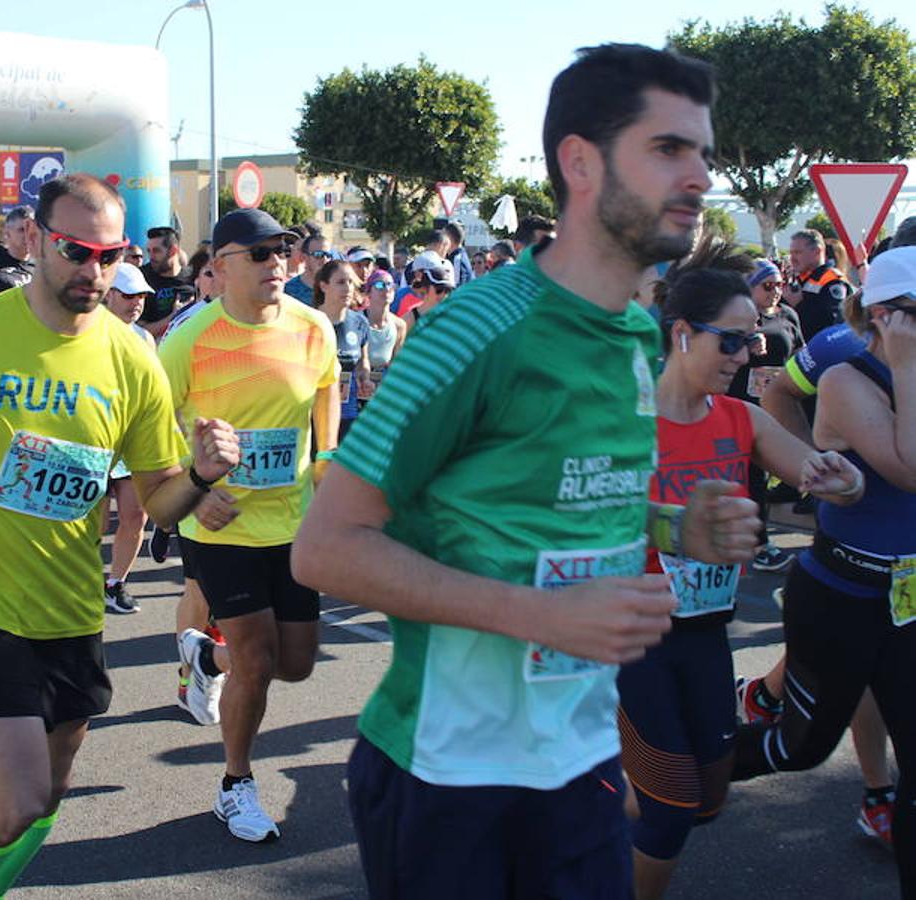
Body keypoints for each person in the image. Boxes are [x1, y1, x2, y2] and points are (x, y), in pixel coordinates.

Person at [291, 44, 761, 898]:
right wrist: (542, 614)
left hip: (581, 764)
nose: (698, 175)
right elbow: (326, 550)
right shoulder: (480, 329)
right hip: (451, 776)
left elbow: (563, 509)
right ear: (580, 162)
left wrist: (673, 528)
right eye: (668, 149)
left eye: (703, 152)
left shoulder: (633, 333)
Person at [0, 173, 239, 900]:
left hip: (71, 605)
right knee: (24, 797)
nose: (93, 270)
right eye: (76, 251)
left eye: (110, 254)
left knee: (52, 794)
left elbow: (160, 504)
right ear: (36, 240)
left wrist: (199, 473)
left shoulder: (131, 359)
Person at [618, 260, 862, 900]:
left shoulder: (739, 420)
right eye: (729, 339)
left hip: (703, 634)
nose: (744, 353)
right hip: (628, 635)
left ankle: (591, 827)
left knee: (706, 798)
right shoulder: (620, 422)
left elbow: (811, 467)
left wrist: (841, 477)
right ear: (680, 334)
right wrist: (671, 529)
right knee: (672, 807)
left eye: (751, 338)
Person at [731, 247, 916, 893]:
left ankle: (880, 801)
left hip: (907, 600)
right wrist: (808, 467)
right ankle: (683, 772)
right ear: (886, 316)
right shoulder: (846, 370)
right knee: (800, 748)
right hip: (843, 591)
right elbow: (910, 470)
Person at [158, 207, 340, 843]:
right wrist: (192, 487)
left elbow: (326, 387)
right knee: (260, 661)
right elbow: (152, 425)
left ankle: (207, 656)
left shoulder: (312, 326)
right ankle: (236, 784)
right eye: (260, 254)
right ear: (220, 268)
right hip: (221, 523)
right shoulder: (189, 339)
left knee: (297, 663)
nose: (277, 264)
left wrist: (324, 457)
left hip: (292, 521)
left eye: (283, 252)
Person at [727, 259, 804, 572]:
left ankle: (751, 537)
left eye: (779, 285)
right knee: (749, 475)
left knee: (764, 473)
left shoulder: (788, 314)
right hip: (740, 404)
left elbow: (800, 351)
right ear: (750, 287)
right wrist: (744, 343)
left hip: (775, 407)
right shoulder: (741, 316)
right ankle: (758, 544)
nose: (775, 292)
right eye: (767, 286)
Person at [100, 263, 157, 615]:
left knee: (136, 516)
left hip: (131, 441)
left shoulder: (144, 338)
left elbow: (152, 392)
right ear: (108, 295)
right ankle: (79, 581)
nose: (137, 303)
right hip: (92, 441)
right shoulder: (85, 331)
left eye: (142, 296)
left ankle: (115, 583)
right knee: (94, 521)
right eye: (129, 295)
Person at [313, 259, 371, 440]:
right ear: (324, 286)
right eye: (340, 282)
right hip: (314, 415)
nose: (347, 288)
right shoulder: (309, 322)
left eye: (350, 282)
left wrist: (365, 380)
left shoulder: (360, 322)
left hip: (348, 414)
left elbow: (362, 362)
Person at [785, 228, 852, 341]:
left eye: (797, 252)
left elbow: (831, 323)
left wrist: (799, 305)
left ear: (817, 251)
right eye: (791, 253)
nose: (792, 258)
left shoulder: (833, 281)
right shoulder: (801, 277)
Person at [139, 225, 191, 339]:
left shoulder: (193, 277)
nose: (151, 256)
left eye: (156, 251)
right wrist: (174, 317)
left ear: (173, 251)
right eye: (149, 251)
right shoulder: (142, 278)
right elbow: (140, 332)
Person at [362, 268, 406, 398]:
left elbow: (396, 367)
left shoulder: (399, 325)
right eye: (380, 285)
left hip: (381, 390)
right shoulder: (357, 321)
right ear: (368, 293)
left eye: (390, 285)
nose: (386, 289)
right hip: (356, 385)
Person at [403, 259, 456, 329]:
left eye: (448, 290)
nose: (444, 295)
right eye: (439, 290)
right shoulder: (409, 319)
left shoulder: (453, 318)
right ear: (425, 289)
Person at [282, 232, 330, 305]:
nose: (325, 260)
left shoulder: (335, 287)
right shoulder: (289, 290)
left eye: (328, 255)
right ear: (305, 257)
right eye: (318, 254)